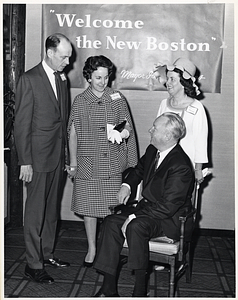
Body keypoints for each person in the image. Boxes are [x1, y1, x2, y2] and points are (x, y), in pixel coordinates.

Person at [93, 112, 195, 297]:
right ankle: (108, 288)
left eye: (154, 128)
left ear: (167, 135)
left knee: (136, 226)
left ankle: (139, 290)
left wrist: (134, 215)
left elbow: (167, 207)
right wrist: (126, 186)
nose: (150, 130)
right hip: (148, 211)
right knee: (110, 222)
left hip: (168, 219)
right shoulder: (152, 150)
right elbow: (138, 170)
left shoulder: (181, 165)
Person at [66, 55, 138, 267]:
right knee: (89, 209)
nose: (103, 82)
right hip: (88, 162)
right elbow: (73, 133)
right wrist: (73, 163)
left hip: (111, 162)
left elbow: (127, 126)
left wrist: (122, 134)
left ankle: (110, 247)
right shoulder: (80, 100)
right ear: (88, 77)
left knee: (111, 209)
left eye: (106, 77)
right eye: (98, 77)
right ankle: (92, 248)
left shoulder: (117, 97)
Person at [14, 33, 72, 284]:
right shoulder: (29, 79)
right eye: (63, 56)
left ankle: (46, 254)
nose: (67, 62)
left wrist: (67, 156)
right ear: (49, 53)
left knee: (51, 211)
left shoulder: (62, 79)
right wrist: (25, 161)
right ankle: (32, 264)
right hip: (36, 159)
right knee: (35, 213)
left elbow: (63, 122)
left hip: (57, 156)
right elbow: (21, 123)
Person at [155, 58, 208, 184]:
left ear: (183, 82)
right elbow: (156, 134)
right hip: (163, 166)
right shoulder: (164, 104)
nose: (168, 83)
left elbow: (200, 140)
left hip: (185, 168)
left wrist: (198, 169)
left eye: (172, 79)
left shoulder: (197, 107)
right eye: (167, 78)